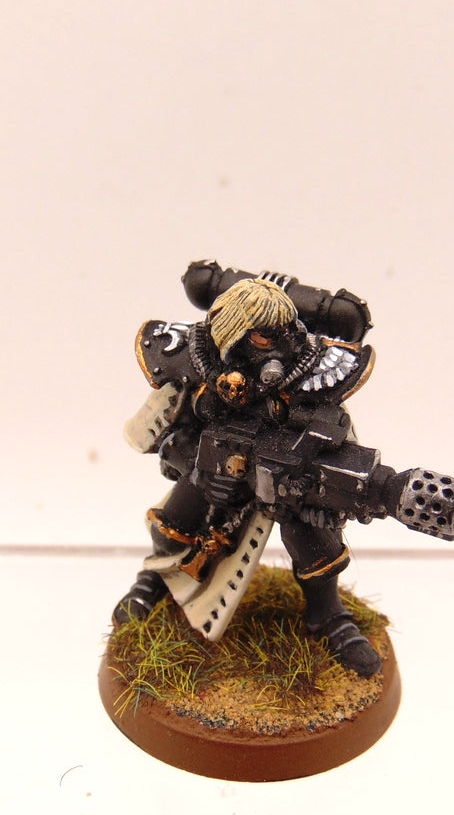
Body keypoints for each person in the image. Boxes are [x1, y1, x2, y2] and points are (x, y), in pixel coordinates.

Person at [115, 276, 384, 677]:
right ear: (232, 337)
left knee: (315, 543)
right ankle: (157, 576)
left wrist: (319, 490)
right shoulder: (195, 365)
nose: (283, 345)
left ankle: (328, 615)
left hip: (287, 485)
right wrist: (196, 467)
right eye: (264, 336)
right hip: (213, 477)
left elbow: (337, 439)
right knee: (174, 523)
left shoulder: (308, 376)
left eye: (288, 331)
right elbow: (156, 434)